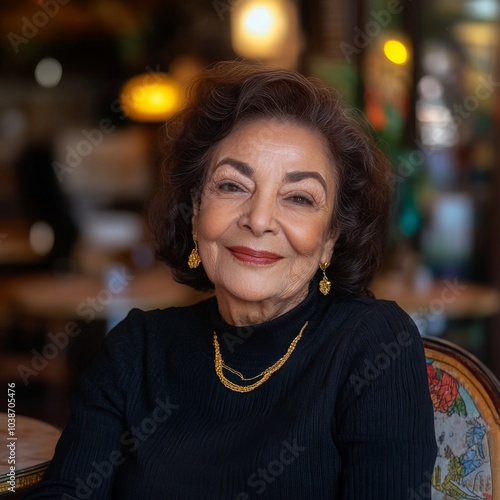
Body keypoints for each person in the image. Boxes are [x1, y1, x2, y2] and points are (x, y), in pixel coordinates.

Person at [27, 61, 437, 499]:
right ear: (196, 207)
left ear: (330, 239)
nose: (259, 220)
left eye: (299, 198)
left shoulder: (372, 345)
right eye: (232, 186)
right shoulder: (136, 351)